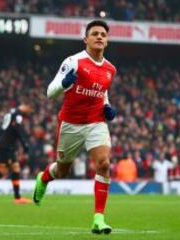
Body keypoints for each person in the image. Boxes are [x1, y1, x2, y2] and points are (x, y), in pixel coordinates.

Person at [32, 20, 117, 234]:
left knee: (104, 164)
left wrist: (107, 106)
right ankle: (43, 179)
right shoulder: (74, 61)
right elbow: (50, 92)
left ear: (106, 41)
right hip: (70, 124)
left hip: (96, 122)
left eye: (103, 35)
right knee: (62, 170)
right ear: (85, 39)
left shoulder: (110, 69)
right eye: (95, 33)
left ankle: (98, 218)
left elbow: (102, 90)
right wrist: (64, 83)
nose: (99, 37)